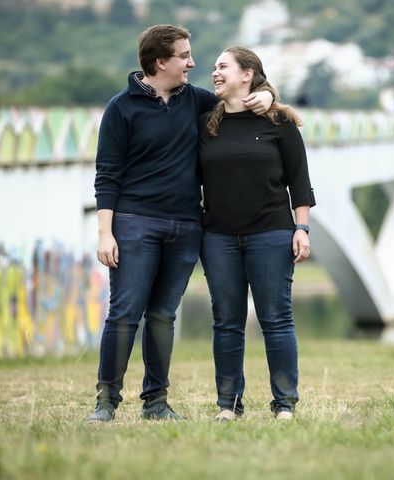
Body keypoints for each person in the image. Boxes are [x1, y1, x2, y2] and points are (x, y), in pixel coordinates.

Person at [87, 26, 273, 422]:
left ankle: (156, 403)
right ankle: (106, 402)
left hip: (186, 226)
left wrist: (269, 95)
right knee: (124, 312)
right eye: (184, 56)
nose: (193, 63)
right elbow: (107, 175)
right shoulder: (120, 108)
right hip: (134, 223)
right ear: (160, 62)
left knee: (162, 316)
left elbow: (238, 102)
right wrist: (106, 233)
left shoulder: (197, 101)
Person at [198, 46, 316, 421]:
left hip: (271, 234)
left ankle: (285, 404)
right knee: (227, 322)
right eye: (214, 68)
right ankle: (228, 405)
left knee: (276, 320)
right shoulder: (205, 122)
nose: (214, 73)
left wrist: (302, 228)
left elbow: (300, 182)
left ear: (247, 74)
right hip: (218, 238)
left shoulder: (279, 121)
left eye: (223, 67)